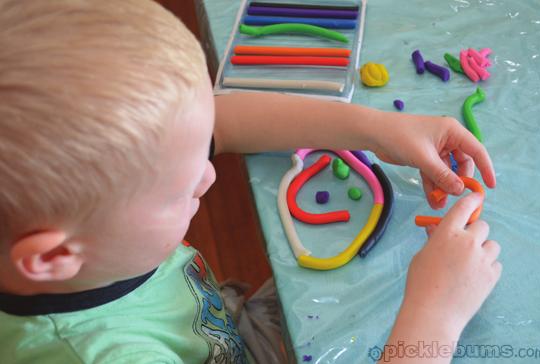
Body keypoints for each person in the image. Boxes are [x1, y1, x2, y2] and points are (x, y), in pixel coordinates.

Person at [0, 1, 500, 363]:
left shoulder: (85, 233)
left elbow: (224, 122)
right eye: (180, 189)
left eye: (200, 154)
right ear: (52, 258)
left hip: (222, 323)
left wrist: (378, 129)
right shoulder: (103, 354)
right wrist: (434, 319)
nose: (210, 175)